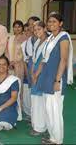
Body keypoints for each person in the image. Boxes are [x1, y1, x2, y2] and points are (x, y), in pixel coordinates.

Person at [36, 13, 73, 144]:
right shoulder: (51, 37)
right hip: (47, 76)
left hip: (56, 77)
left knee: (55, 110)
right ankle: (52, 136)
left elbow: (63, 60)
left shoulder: (63, 37)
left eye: (54, 21)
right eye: (49, 22)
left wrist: (57, 81)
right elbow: (45, 59)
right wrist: (37, 74)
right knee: (48, 108)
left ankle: (57, 139)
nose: (51, 24)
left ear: (61, 23)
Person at [29, 21, 48, 136]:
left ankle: (40, 127)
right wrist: (32, 73)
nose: (37, 32)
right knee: (34, 99)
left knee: (39, 100)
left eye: (39, 29)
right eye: (35, 30)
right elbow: (34, 59)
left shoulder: (48, 41)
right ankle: (35, 124)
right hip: (34, 72)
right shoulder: (36, 42)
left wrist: (36, 75)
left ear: (45, 28)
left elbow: (43, 60)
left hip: (42, 73)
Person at [21, 16, 40, 119]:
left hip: (41, 72)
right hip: (29, 71)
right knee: (29, 95)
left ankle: (39, 118)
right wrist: (27, 75)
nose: (31, 27)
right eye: (29, 25)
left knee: (39, 97)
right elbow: (25, 61)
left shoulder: (45, 39)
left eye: (34, 24)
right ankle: (31, 116)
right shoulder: (25, 43)